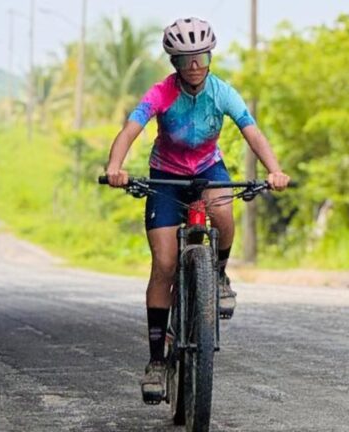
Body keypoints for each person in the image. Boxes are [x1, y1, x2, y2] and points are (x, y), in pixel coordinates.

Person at [103, 17, 290, 400]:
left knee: (222, 211)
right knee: (165, 263)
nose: (194, 66)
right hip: (166, 177)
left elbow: (252, 131)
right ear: (173, 62)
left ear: (210, 57)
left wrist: (275, 171)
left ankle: (217, 275)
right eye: (184, 59)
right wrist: (115, 167)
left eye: (201, 57)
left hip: (208, 169)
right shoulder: (160, 93)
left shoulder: (222, 92)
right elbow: (130, 129)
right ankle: (157, 361)